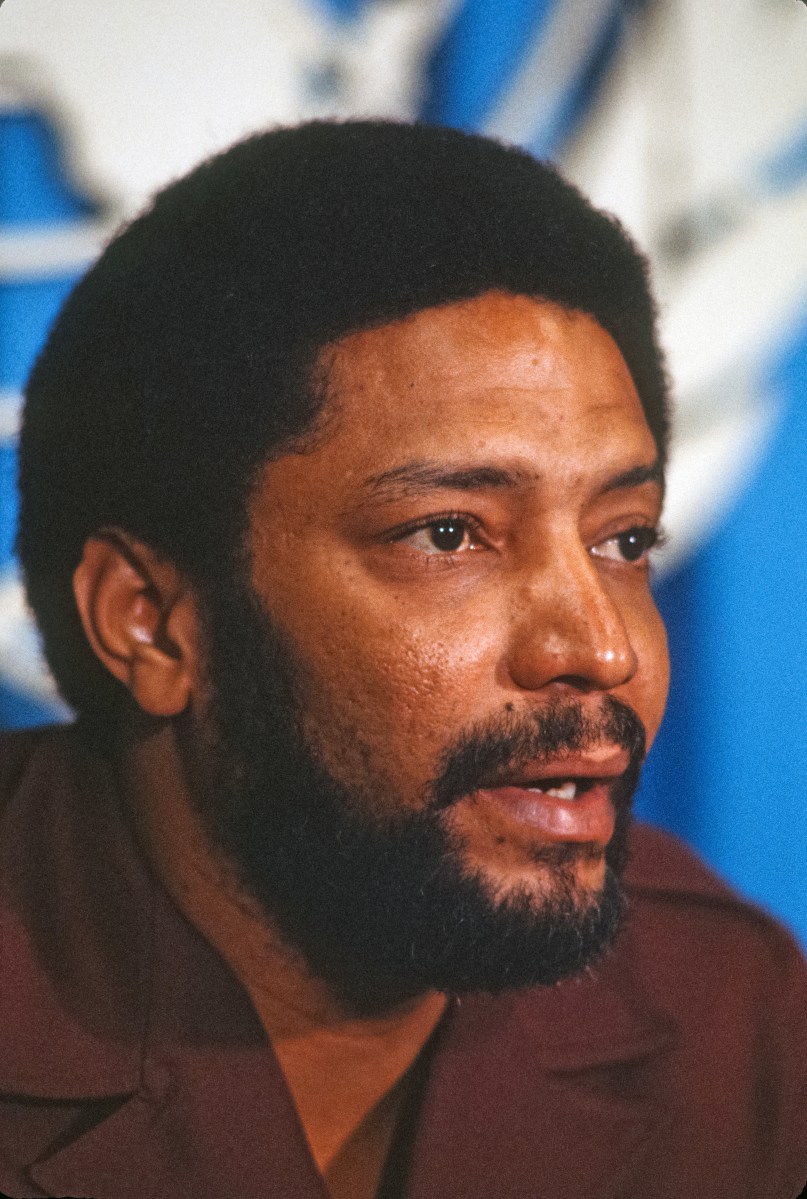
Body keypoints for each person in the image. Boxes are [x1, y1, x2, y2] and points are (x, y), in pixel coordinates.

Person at [1, 120, 805, 1199]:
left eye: (624, 541)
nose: (601, 648)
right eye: (448, 534)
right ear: (149, 621)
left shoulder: (724, 1008)